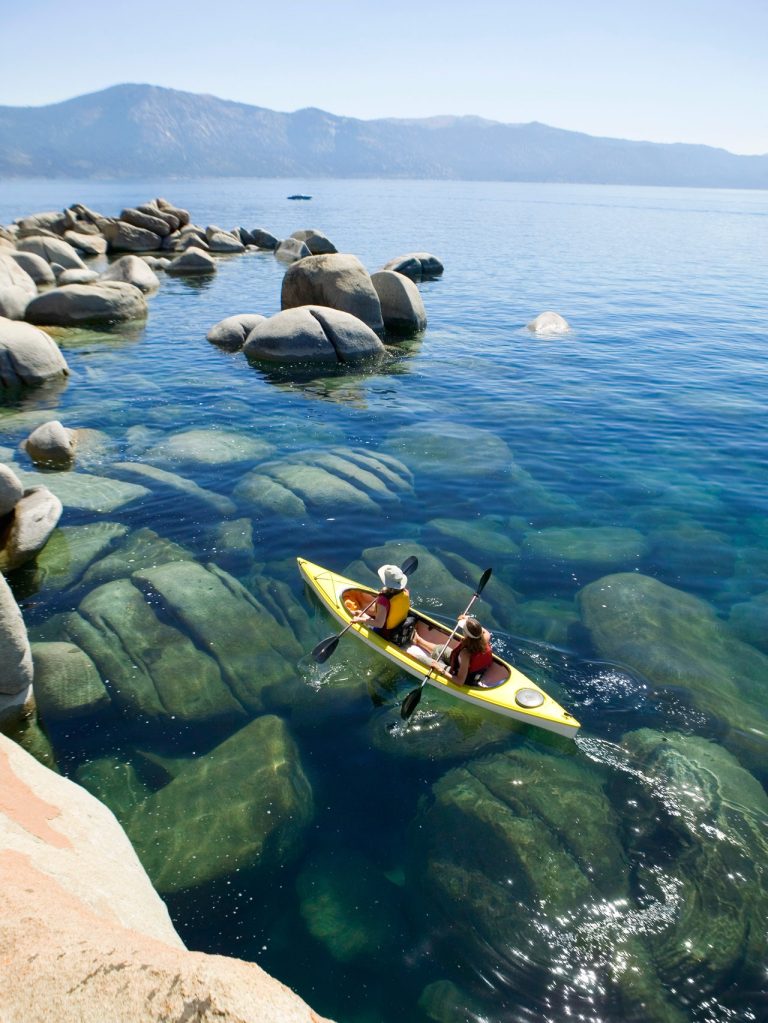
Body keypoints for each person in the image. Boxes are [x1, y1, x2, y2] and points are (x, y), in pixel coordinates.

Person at [410, 616, 493, 686]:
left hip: (462, 676)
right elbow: (479, 629)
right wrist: (468, 619)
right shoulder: (485, 637)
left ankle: (436, 662)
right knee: (440, 649)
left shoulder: (465, 654)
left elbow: (460, 681)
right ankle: (418, 640)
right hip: (462, 665)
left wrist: (440, 669)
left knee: (417, 657)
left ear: (466, 634)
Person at [352, 564, 410, 640]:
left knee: (358, 613)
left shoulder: (383, 600)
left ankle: (358, 614)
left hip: (386, 632)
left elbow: (379, 624)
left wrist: (359, 619)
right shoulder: (405, 592)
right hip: (400, 624)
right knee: (373, 611)